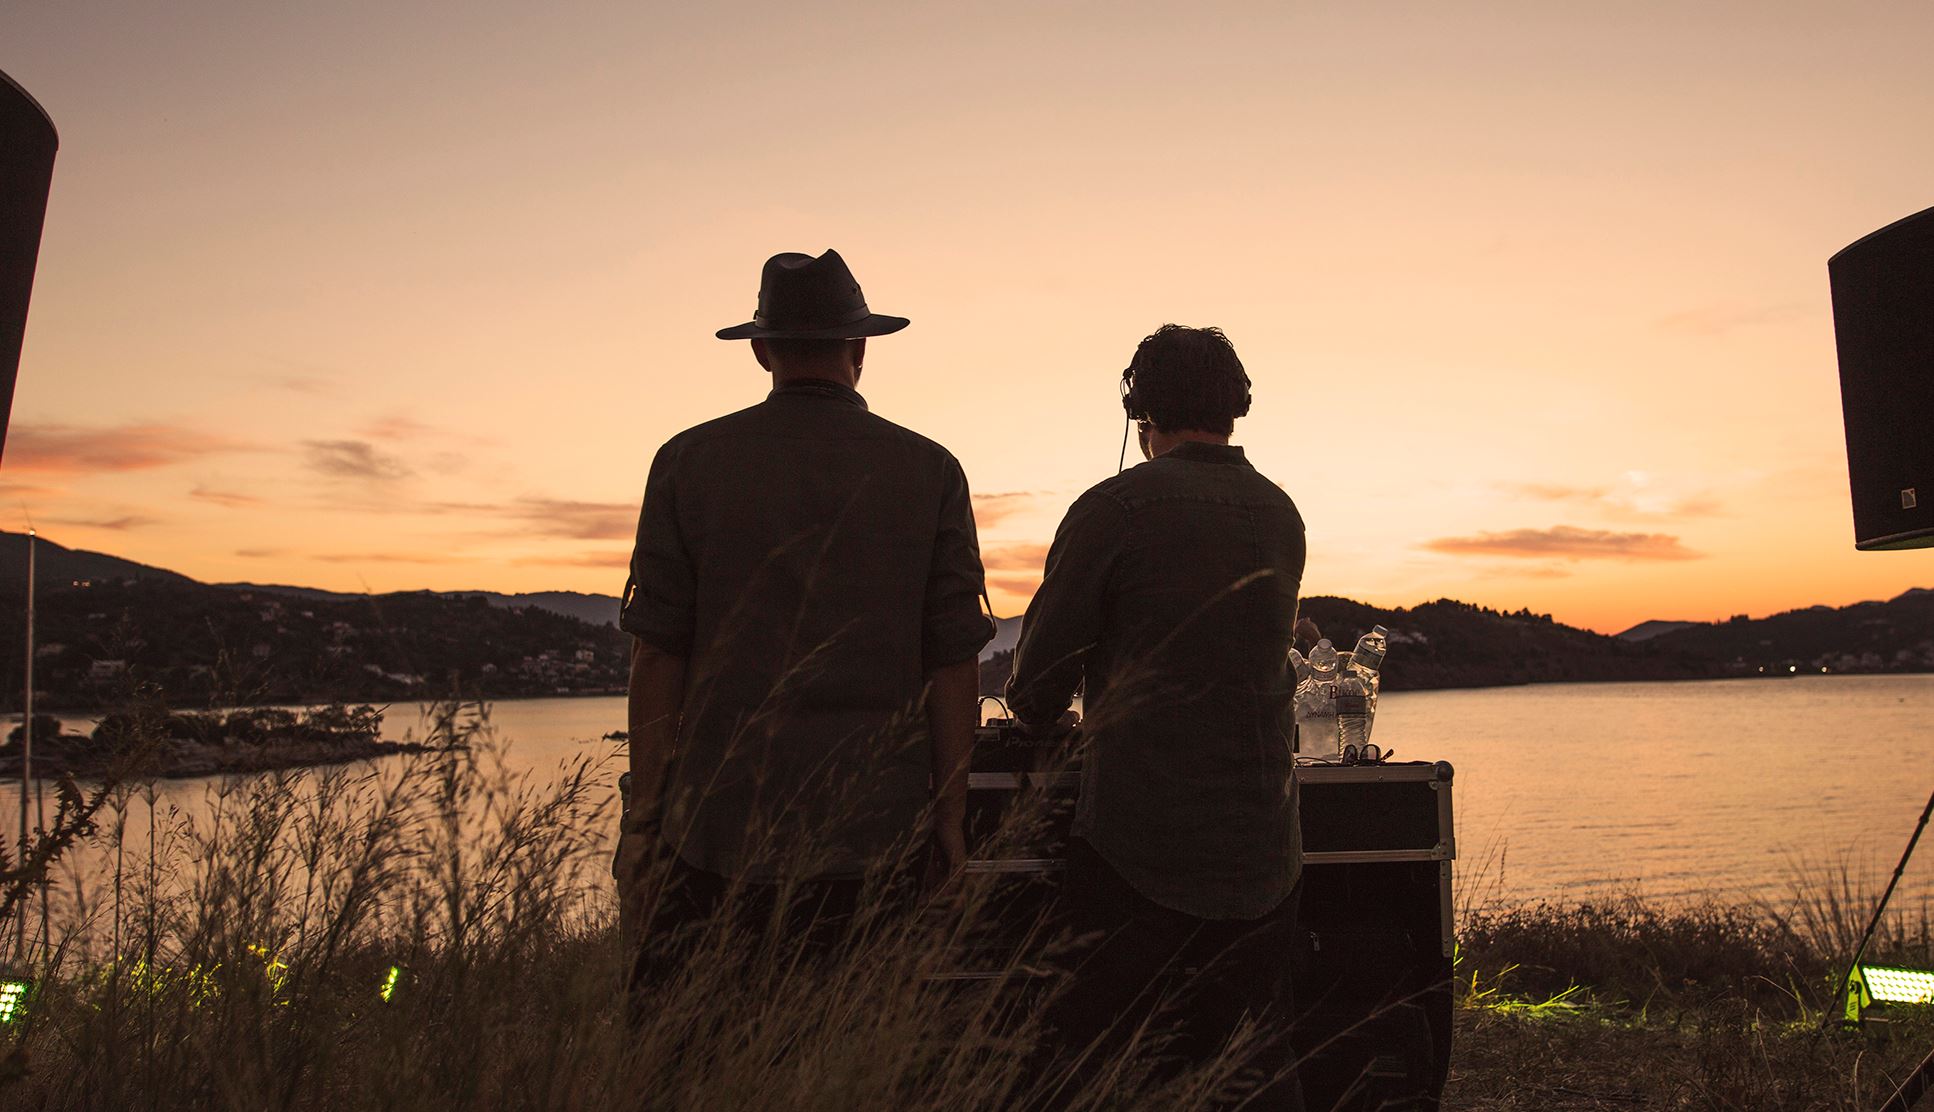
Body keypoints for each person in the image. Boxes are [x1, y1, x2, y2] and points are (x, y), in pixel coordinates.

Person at [615, 249, 994, 993]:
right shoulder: (930, 471)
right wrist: (949, 820)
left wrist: (646, 824)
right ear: (860, 348)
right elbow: (953, 665)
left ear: (761, 350)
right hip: (879, 838)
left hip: (718, 837)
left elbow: (658, 658)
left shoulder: (686, 463)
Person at [1007, 325, 1308, 1108]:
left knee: (1097, 1071)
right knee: (1244, 1069)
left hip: (1137, 847)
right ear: (1234, 404)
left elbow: (1037, 676)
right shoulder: (1281, 512)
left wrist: (1047, 718)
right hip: (1264, 850)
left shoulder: (1114, 508)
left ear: (1140, 408)